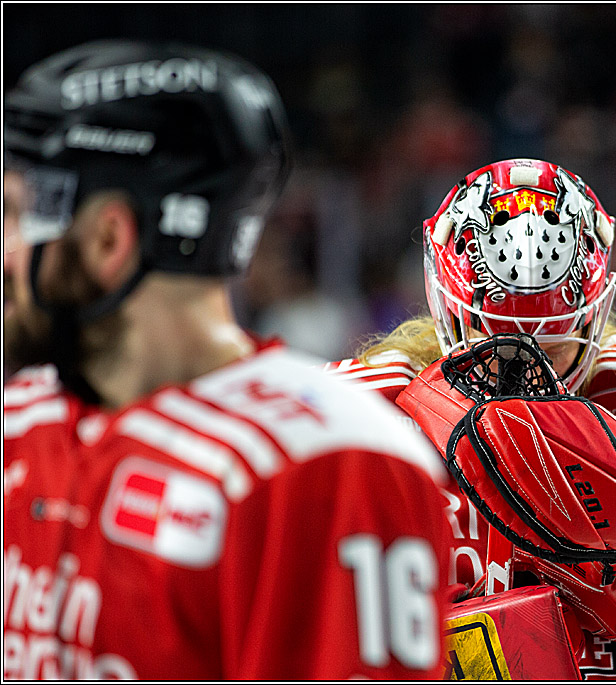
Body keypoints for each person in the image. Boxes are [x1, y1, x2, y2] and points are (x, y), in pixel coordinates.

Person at [3, 40, 451, 679]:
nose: (5, 252)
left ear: (108, 239)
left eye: (16, 214)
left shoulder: (329, 464)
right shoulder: (19, 423)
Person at [325, 158, 616, 679]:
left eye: (549, 345)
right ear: (447, 309)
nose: (525, 366)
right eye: (499, 342)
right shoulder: (363, 409)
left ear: (593, 317)